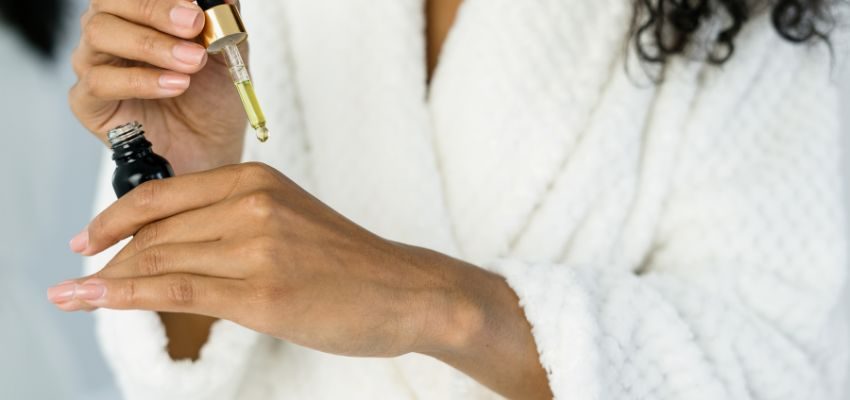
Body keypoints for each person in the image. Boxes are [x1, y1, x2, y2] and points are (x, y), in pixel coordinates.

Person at [49, 0, 849, 399]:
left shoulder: (773, 26)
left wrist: (443, 307)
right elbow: (181, 373)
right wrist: (185, 190)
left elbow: (783, 371)